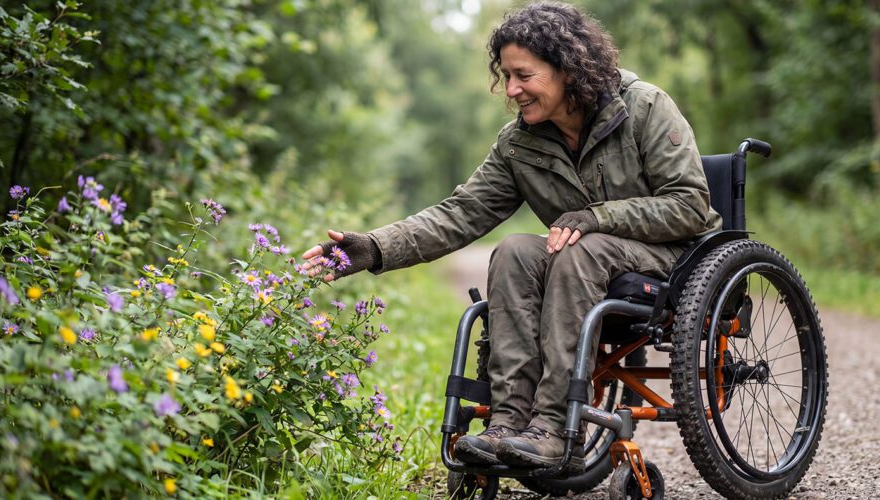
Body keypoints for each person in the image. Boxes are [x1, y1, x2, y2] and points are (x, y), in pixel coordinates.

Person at [301, 1, 720, 472]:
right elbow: (459, 213)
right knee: (516, 250)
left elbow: (688, 205)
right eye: (507, 76)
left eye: (524, 75)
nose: (513, 89)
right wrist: (374, 247)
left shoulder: (644, 106)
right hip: (586, 264)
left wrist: (595, 216)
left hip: (674, 261)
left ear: (568, 67)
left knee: (582, 247)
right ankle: (509, 424)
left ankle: (557, 428)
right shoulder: (521, 142)